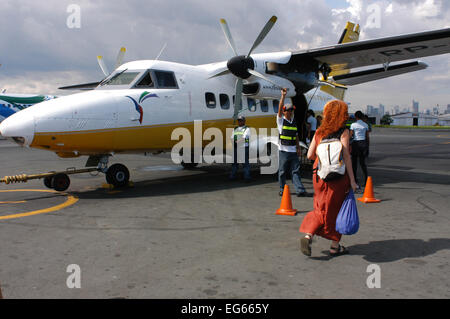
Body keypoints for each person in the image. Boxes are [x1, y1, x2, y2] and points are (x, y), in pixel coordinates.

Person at [299, 100, 358, 257]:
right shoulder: (343, 132)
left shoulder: (319, 131)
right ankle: (334, 246)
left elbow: (310, 154)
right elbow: (346, 157)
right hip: (338, 177)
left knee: (319, 208)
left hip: (319, 175)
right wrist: (352, 180)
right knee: (336, 211)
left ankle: (308, 235)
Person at [277, 88, 309, 197]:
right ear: (284, 111)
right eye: (289, 110)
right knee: (282, 172)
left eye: (292, 110)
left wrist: (298, 148)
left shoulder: (293, 122)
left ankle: (300, 190)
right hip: (284, 151)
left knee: (296, 171)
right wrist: (283, 96)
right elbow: (280, 107)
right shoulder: (281, 120)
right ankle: (282, 189)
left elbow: (296, 136)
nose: (291, 112)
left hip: (293, 151)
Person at [350, 111, 369, 187]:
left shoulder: (353, 125)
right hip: (363, 143)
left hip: (355, 143)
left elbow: (351, 135)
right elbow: (367, 136)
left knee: (354, 163)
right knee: (362, 163)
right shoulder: (365, 125)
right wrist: (367, 146)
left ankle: (355, 180)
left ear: (355, 116)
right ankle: (366, 180)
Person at [230, 115, 251, 181]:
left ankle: (247, 177)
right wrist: (235, 141)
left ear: (244, 121)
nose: (239, 122)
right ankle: (232, 176)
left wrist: (237, 142)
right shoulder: (235, 128)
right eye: (238, 120)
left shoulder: (247, 129)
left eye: (241, 120)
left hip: (244, 148)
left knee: (245, 164)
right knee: (234, 163)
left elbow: (245, 138)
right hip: (236, 148)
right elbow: (233, 137)